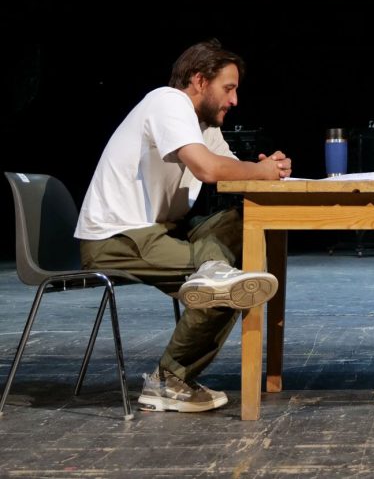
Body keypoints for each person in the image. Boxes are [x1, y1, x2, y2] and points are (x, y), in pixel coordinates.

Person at [75, 39, 293, 413]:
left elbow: (233, 173)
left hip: (164, 231)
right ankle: (168, 381)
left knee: (244, 222)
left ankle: (215, 272)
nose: (235, 100)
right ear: (199, 80)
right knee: (231, 286)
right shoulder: (168, 101)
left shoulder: (203, 125)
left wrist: (269, 168)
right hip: (118, 238)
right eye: (228, 88)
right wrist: (261, 171)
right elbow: (208, 169)